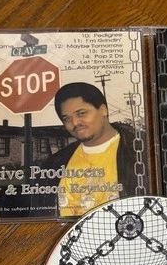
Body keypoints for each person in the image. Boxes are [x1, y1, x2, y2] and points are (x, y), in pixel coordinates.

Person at [38, 82, 145, 217]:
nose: (75, 123)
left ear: (103, 110)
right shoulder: (54, 164)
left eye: (81, 113)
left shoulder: (142, 153)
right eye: (67, 119)